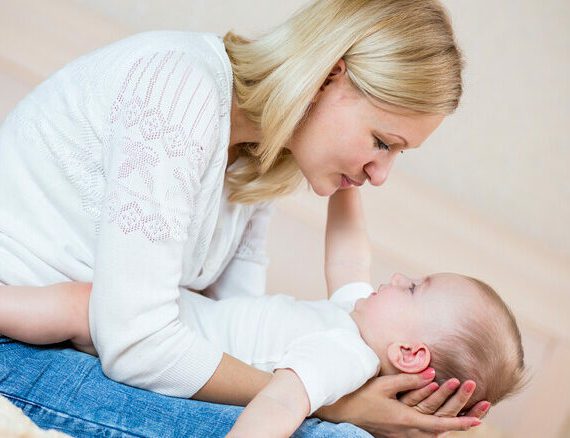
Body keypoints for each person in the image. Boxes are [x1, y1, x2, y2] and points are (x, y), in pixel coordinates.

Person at [0, 0, 490, 435]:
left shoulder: (258, 152)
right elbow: (137, 345)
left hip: (80, 343)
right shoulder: (179, 92)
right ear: (327, 78)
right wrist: (336, 403)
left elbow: (235, 323)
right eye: (382, 142)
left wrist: (342, 389)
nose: (381, 174)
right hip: (19, 346)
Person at [0, 189, 525, 437]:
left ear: (409, 353)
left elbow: (278, 406)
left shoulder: (343, 354)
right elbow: (349, 254)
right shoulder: (352, 317)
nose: (394, 279)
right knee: (75, 301)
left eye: (411, 288)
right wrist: (349, 187)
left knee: (78, 303)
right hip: (173, 318)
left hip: (163, 337)